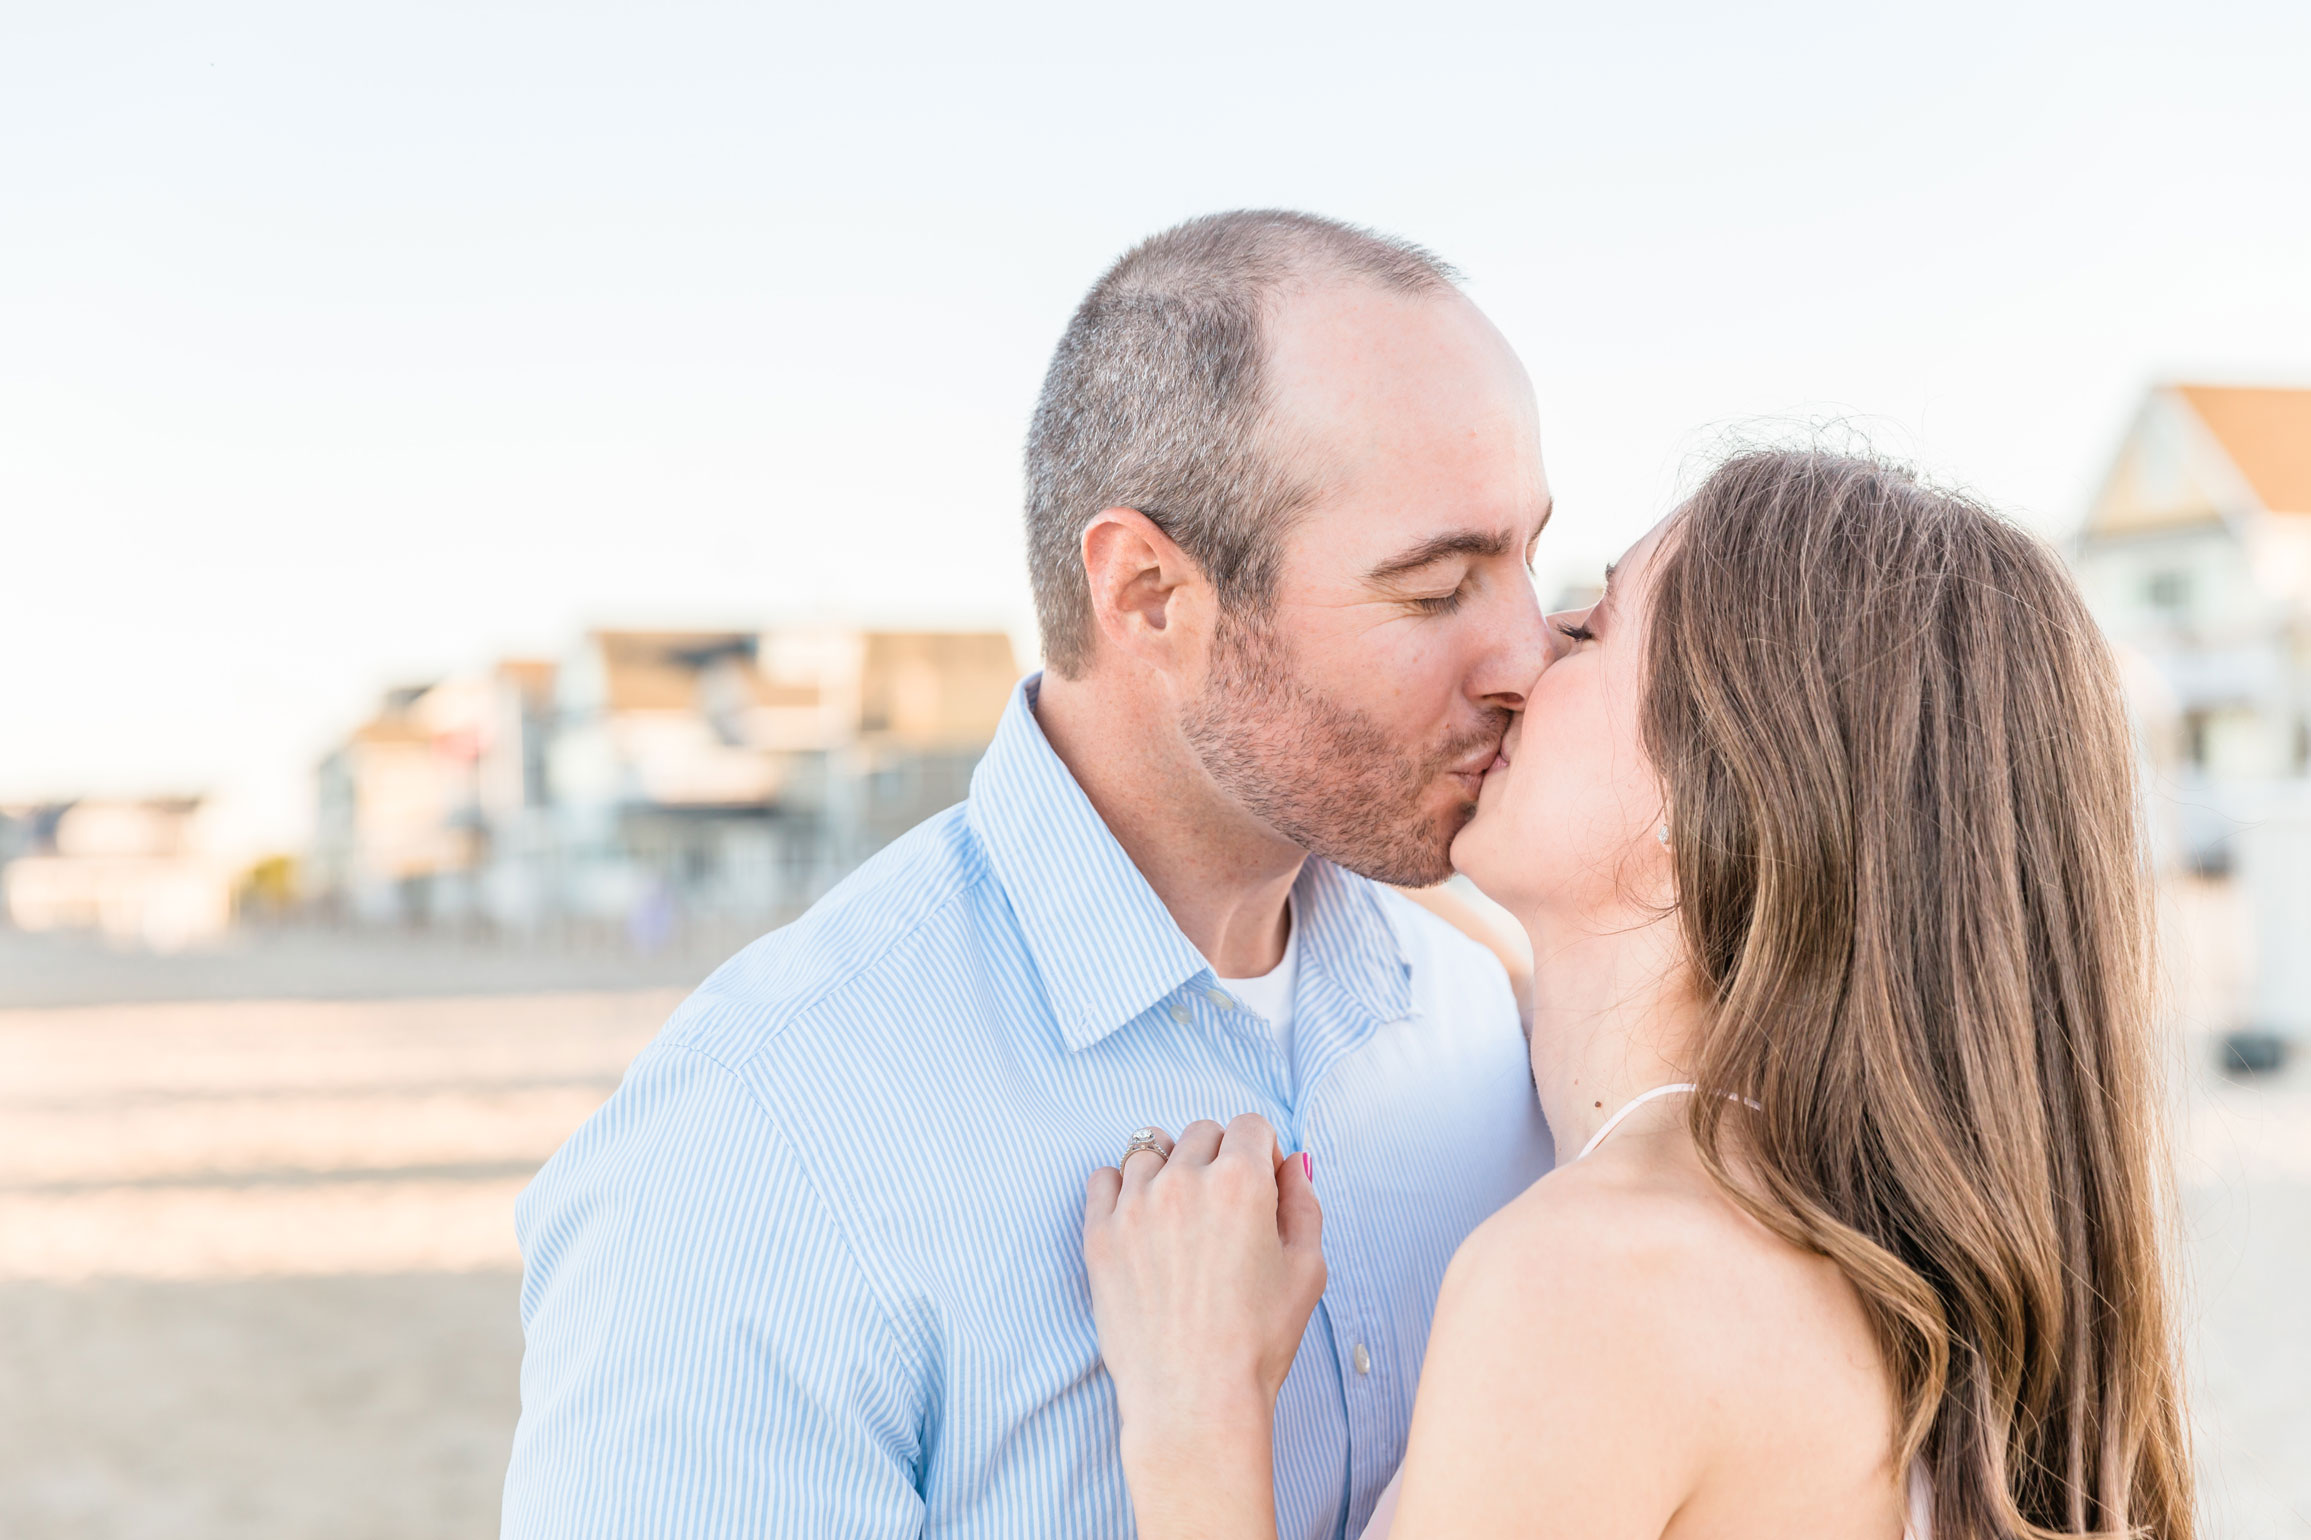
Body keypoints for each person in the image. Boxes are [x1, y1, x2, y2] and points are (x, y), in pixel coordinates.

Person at [499, 210, 1557, 1537]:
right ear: (1148, 595)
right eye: (1437, 587)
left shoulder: (1495, 1024)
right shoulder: (760, 1143)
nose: (1526, 656)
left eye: (1524, 558)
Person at [1083, 450, 2196, 1539]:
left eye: (1592, 627)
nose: (1524, 665)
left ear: (1719, 793)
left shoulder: (1593, 1283)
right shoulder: (1855, 1255)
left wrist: (1196, 1417)